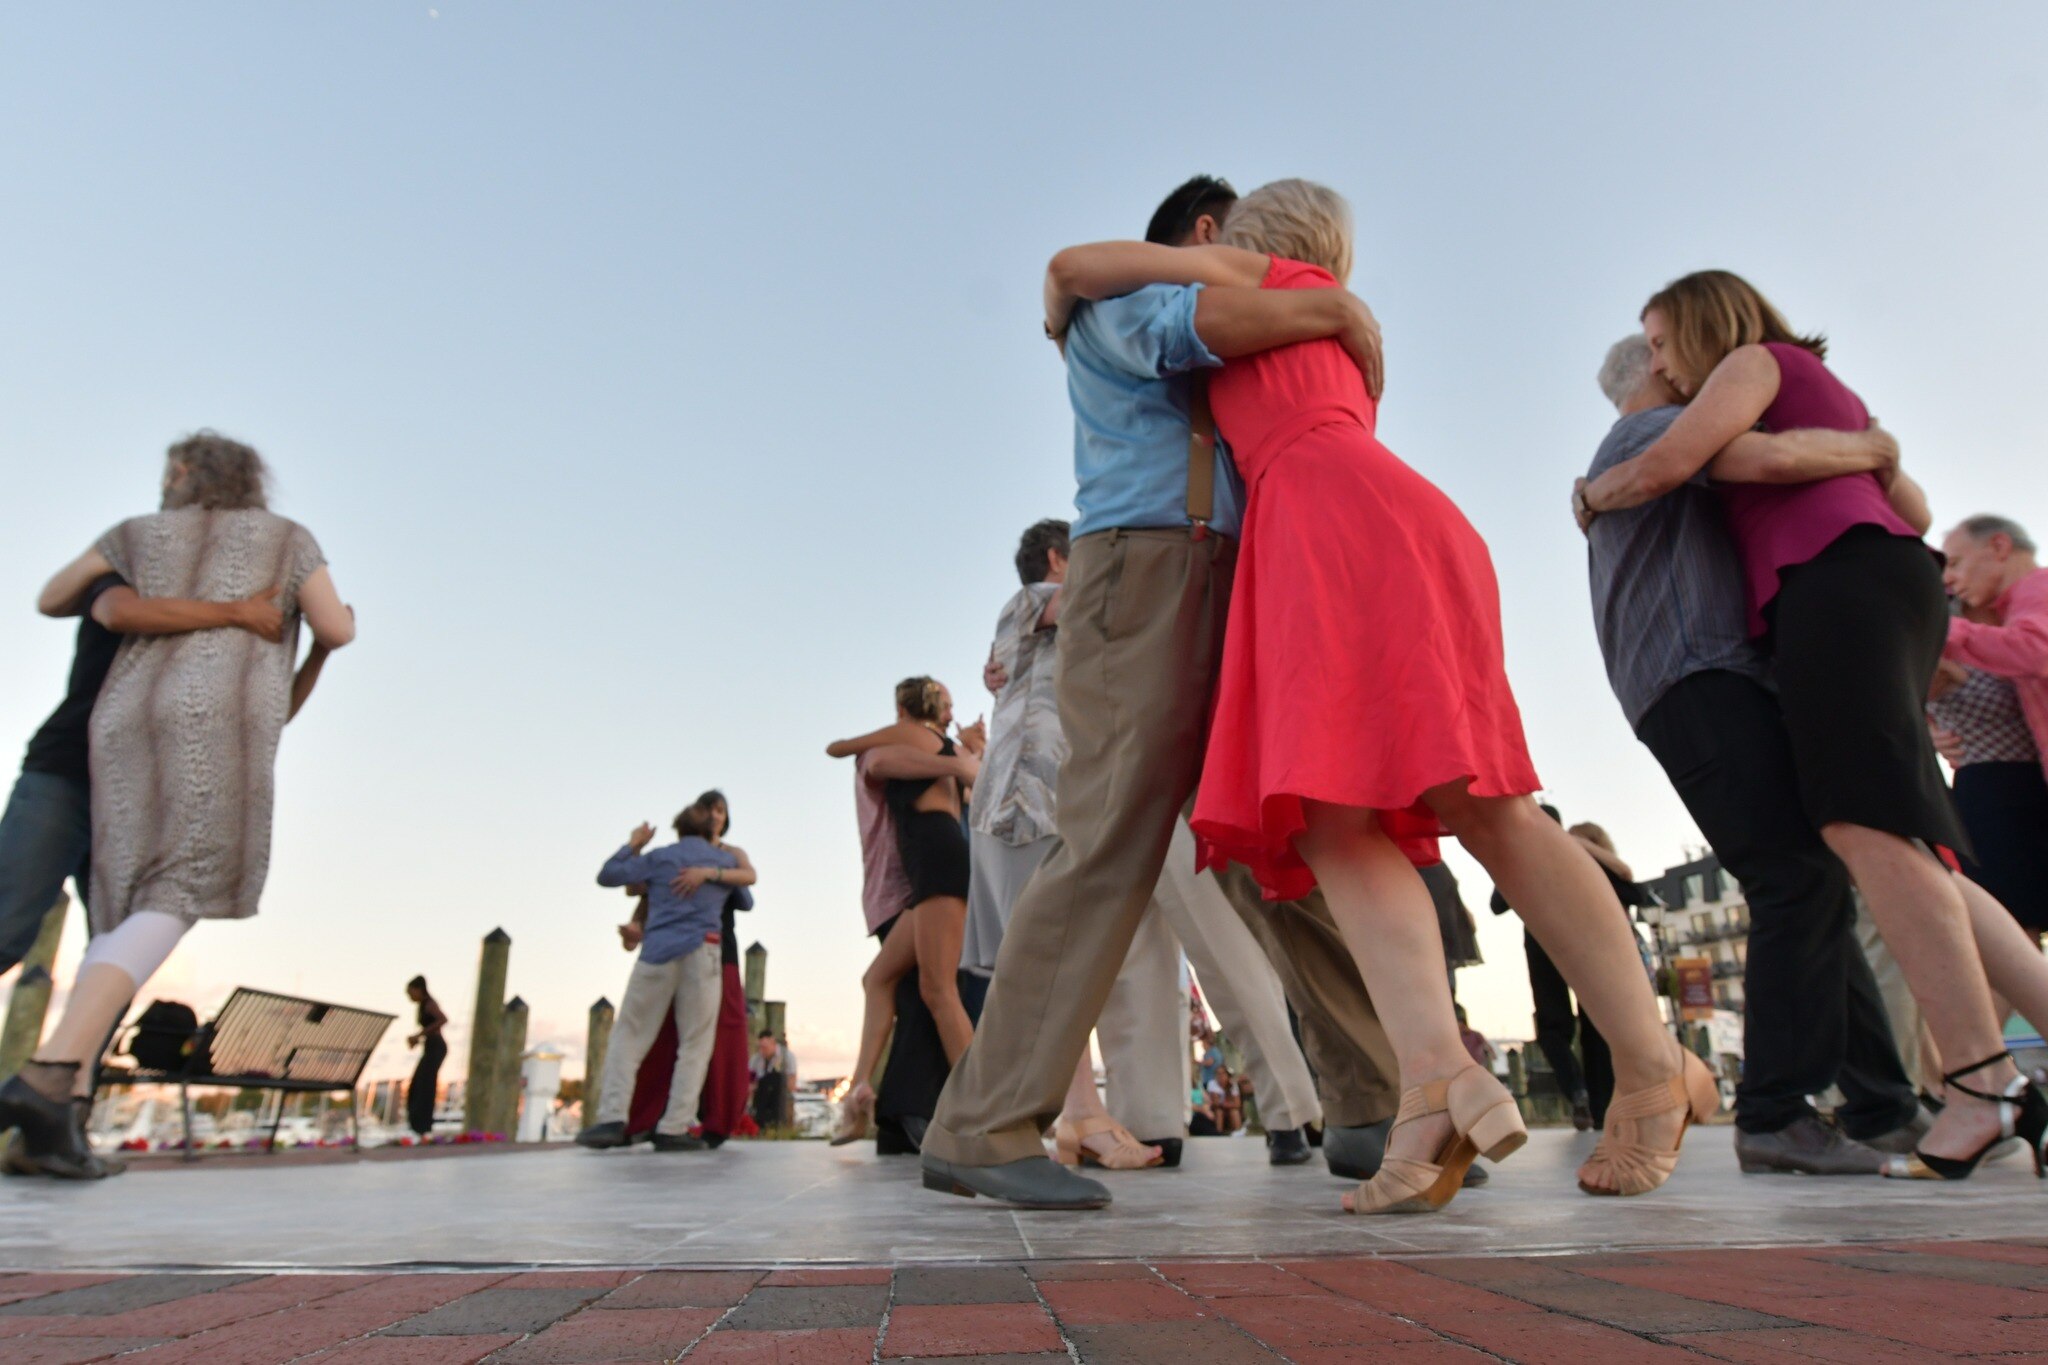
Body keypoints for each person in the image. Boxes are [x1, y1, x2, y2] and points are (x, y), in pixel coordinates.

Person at [1033, 181, 1713, 1217]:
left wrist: (1066, 314)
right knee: (1347, 821)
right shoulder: (1320, 310)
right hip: (1355, 520)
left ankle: (1645, 1066)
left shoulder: (1260, 279)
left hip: (1330, 525)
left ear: (1249, 235)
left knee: (1454, 810)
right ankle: (1438, 1081)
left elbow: (1075, 269)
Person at [923, 175, 1395, 1211]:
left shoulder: (1216, 316)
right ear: (1206, 233)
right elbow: (1184, 302)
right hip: (1145, 571)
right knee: (1106, 838)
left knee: (1269, 837)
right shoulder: (1133, 302)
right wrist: (1336, 304)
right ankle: (983, 1122)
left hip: (1224, 573)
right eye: (1249, 245)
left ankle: (1371, 1097)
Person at [1578, 274, 2048, 1181]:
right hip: (1872, 584)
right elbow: (1911, 510)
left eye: (1667, 340)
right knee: (1895, 845)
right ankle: (1940, 1089)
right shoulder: (1822, 397)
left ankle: (1980, 1088)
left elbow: (1697, 463)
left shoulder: (1753, 369)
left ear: (1706, 326)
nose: (1665, 362)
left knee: (1857, 832)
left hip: (1833, 589)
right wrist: (1868, 447)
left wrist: (1595, 495)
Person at [1578, 333, 1926, 1176]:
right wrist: (1872, 446)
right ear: (1665, 372)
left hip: (1699, 679)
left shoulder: (1637, 449)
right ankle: (1774, 1111)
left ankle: (1881, 1104)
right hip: (1700, 677)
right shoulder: (1648, 442)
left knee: (1812, 884)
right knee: (1795, 877)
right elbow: (1773, 460)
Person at [0, 432, 355, 1179]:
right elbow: (113, 611)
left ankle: (58, 1122)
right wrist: (243, 612)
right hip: (74, 765)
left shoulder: (145, 542)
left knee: (116, 941)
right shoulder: (141, 560)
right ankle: (48, 1080)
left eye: (177, 469)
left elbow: (279, 697)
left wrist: (304, 646)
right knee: (31, 923)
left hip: (143, 763)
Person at [969, 518, 1330, 1170]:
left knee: (1220, 941)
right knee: (1131, 957)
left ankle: (1293, 1108)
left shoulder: (1075, 615)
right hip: (1091, 788)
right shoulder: (1048, 606)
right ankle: (1150, 1116)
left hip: (1145, 773)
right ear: (1059, 557)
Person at [0, 569, 287, 980]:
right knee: (6, 926)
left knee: (116, 957)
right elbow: (119, 614)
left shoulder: (224, 629)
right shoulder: (130, 573)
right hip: (68, 775)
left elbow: (272, 712)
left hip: (142, 805)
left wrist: (323, 651)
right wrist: (236, 612)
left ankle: (76, 1046)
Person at [825, 678, 981, 1143]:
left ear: (902, 708)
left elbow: (843, 749)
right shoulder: (944, 749)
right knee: (878, 978)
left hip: (935, 859)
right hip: (933, 864)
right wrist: (963, 760)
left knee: (938, 990)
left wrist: (962, 761)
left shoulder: (913, 736)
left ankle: (983, 1112)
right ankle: (859, 1096)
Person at [580, 799, 755, 1152]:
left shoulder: (659, 858)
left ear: (678, 827)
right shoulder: (722, 859)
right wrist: (714, 876)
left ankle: (613, 1117)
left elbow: (609, 876)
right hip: (703, 952)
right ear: (710, 829)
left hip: (657, 952)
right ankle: (673, 1126)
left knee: (629, 1036)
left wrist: (635, 844)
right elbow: (747, 899)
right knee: (695, 1044)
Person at [1937, 517, 2048, 938]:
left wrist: (1933, 627)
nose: (1950, 578)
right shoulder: (2014, 611)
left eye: (1958, 563)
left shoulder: (2037, 591)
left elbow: (2036, 651)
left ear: (2000, 546)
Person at [404, 977, 448, 1140]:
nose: (410, 997)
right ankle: (417, 1126)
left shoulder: (429, 1003)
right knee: (417, 1086)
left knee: (425, 1086)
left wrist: (419, 1034)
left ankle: (423, 1127)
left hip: (436, 1047)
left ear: (418, 989)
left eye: (411, 993)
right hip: (430, 1046)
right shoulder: (423, 1006)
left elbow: (442, 1019)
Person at [749, 1030, 788, 1133]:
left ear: (773, 1043)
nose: (763, 1051)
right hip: (761, 1095)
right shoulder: (755, 1059)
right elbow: (751, 1081)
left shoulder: (786, 1057)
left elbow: (791, 1082)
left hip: (778, 1095)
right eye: (760, 1047)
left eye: (765, 1047)